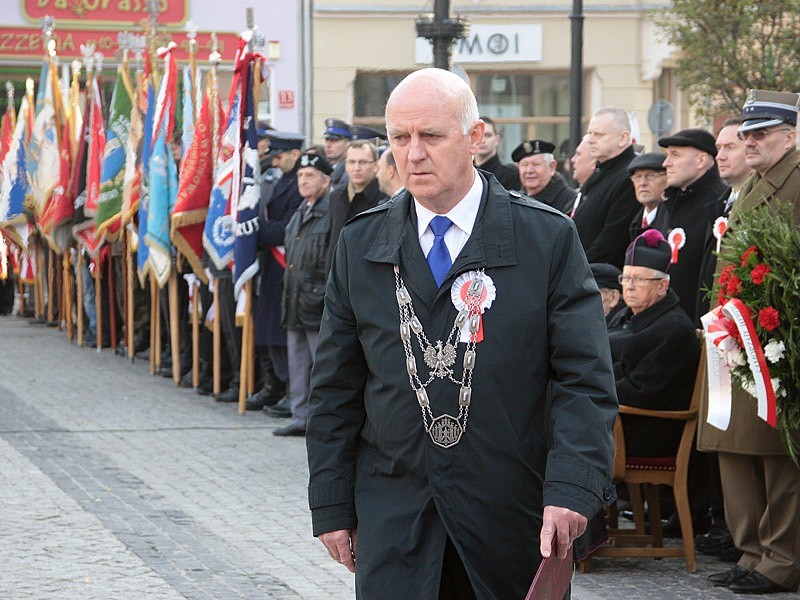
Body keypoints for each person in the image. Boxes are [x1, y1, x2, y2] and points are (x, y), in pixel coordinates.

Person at [306, 67, 617, 599]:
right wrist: (332, 503)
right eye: (400, 138)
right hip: (396, 514)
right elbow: (335, 386)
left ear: (474, 138)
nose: (413, 153)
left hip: (510, 513)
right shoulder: (361, 244)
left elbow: (584, 380)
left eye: (431, 135)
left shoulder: (545, 238)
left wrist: (571, 488)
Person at [700, 90, 800, 595]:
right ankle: (753, 550)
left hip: (774, 336)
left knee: (775, 452)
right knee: (735, 442)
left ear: (791, 134)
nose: (750, 141)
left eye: (761, 133)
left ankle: (781, 559)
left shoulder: (796, 181)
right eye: (747, 133)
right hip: (737, 335)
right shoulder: (757, 182)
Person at [693, 117, 752, 564]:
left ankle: (759, 547)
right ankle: (741, 538)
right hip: (721, 332)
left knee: (752, 445)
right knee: (727, 441)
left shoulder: (750, 197)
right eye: (723, 146)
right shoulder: (728, 199)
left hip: (752, 336)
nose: (725, 155)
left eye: (730, 146)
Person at [607, 230, 700, 458]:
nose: (628, 286)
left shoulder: (674, 330)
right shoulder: (622, 315)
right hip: (612, 414)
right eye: (626, 278)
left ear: (662, 285)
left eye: (638, 279)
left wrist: (589, 387)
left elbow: (641, 392)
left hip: (645, 428)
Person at [274, 152, 333, 437]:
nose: (303, 180)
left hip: (317, 301)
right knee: (297, 364)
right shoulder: (300, 212)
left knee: (322, 368)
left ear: (326, 180)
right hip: (295, 300)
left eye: (310, 175)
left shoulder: (332, 211)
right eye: (300, 176)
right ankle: (300, 417)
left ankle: (322, 422)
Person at [246, 130, 306, 411]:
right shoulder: (279, 178)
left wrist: (254, 231)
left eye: (280, 155)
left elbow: (287, 227)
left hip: (288, 265)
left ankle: (287, 387)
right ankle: (272, 384)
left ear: (295, 155)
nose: (275, 160)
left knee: (282, 332)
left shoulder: (299, 184)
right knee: (267, 327)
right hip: (272, 265)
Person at [657, 129, 727, 323]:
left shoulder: (717, 202)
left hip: (695, 323)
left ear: (701, 161)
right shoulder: (669, 200)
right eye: (666, 155)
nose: (666, 163)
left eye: (675, 155)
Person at [573, 107, 640, 268]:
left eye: (599, 134)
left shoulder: (629, 176)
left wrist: (578, 267)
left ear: (623, 138)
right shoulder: (599, 172)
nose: (590, 140)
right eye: (590, 133)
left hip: (602, 277)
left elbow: (613, 239)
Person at [326, 140, 387, 269]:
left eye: (363, 162)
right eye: (352, 162)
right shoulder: (335, 196)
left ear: (376, 166)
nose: (356, 168)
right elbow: (330, 240)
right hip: (335, 276)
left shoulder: (385, 198)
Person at [512, 139, 576, 214]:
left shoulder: (569, 201)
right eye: (524, 165)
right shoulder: (515, 201)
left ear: (552, 167)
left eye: (536, 164)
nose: (529, 170)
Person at [627, 152, 669, 240]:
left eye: (650, 176)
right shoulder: (635, 221)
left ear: (668, 178)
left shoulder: (671, 220)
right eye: (637, 177)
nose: (642, 183)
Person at [474, 116, 520, 190]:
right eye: (478, 135)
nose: (482, 140)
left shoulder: (510, 175)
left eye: (488, 135)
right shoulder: (464, 174)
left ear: (497, 139)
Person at [323, 118, 353, 189]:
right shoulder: (328, 168)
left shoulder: (348, 172)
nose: (328, 145)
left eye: (334, 140)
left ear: (347, 144)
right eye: (327, 140)